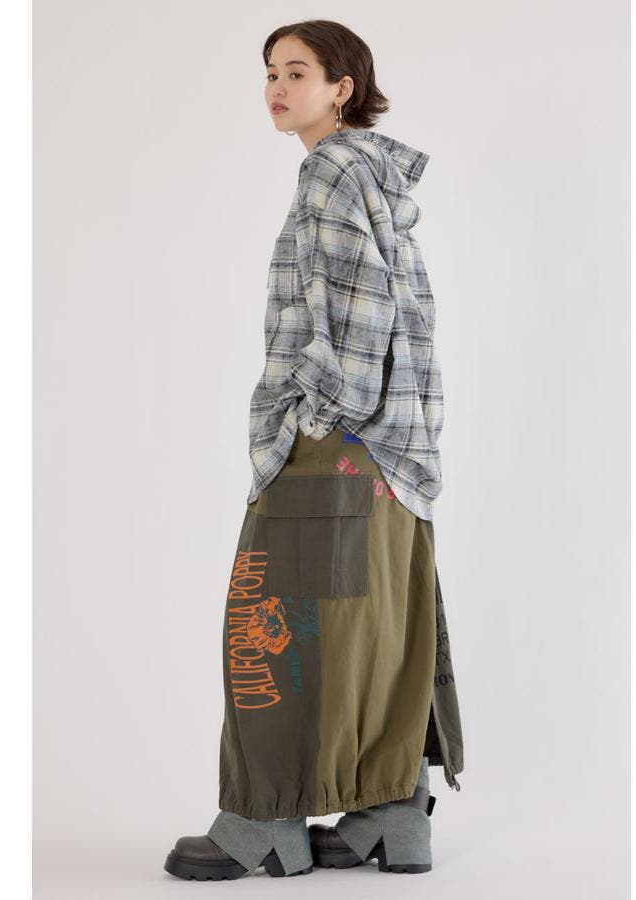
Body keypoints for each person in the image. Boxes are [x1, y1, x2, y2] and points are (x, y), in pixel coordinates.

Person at [163, 18, 465, 880]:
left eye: (297, 71)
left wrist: (316, 414)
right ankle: (388, 816)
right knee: (380, 631)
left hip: (338, 442)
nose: (276, 87)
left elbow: (364, 308)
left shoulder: (331, 167)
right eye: (270, 72)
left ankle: (265, 823)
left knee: (276, 629)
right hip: (394, 456)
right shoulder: (371, 173)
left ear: (343, 88)